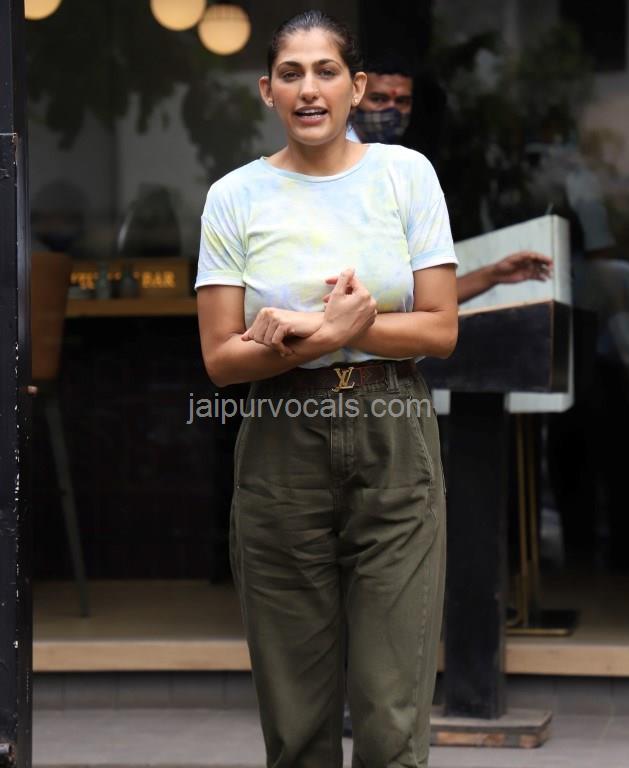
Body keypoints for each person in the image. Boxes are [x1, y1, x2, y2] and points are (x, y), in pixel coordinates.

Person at [195, 11, 457, 768]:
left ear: (357, 86)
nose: (309, 89)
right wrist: (323, 337)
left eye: (326, 71)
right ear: (267, 91)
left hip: (392, 430)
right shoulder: (235, 196)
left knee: (389, 717)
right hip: (281, 440)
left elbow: (440, 329)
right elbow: (220, 360)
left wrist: (332, 326)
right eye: (291, 74)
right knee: (298, 723)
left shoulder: (405, 176)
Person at [350, 56, 553, 302]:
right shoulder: (331, 161)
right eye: (379, 99)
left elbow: (423, 299)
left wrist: (493, 275)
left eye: (402, 101)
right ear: (355, 95)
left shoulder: (408, 170)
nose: (391, 109)